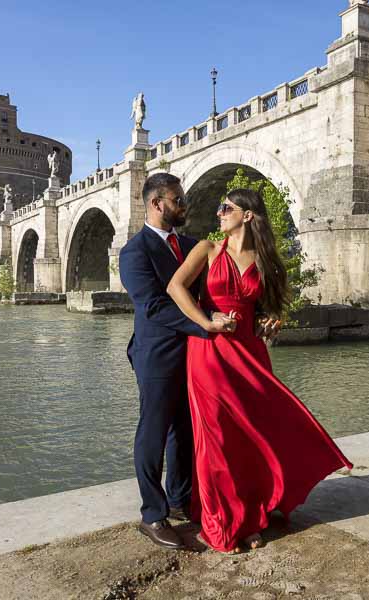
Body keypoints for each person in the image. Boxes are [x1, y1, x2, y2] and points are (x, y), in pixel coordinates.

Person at [167, 188, 353, 553]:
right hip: (208, 353)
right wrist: (206, 320)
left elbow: (270, 310)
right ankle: (220, 523)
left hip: (249, 354)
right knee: (217, 438)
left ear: (248, 215)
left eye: (226, 208)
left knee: (250, 437)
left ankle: (249, 517)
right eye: (220, 207)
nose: (219, 213)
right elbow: (176, 287)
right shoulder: (207, 249)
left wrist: (273, 321)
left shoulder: (265, 260)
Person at [118, 173, 236, 550]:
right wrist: (204, 326)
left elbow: (213, 290)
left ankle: (179, 499)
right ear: (157, 203)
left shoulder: (190, 245)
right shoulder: (134, 252)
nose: (184, 205)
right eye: (178, 200)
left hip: (197, 354)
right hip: (156, 353)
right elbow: (152, 306)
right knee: (153, 431)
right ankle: (152, 514)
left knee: (184, 429)